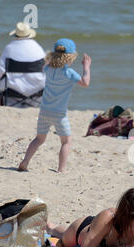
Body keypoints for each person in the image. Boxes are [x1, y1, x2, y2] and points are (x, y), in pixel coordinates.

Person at [18, 38, 91, 173]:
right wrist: (86, 67)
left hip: (44, 111)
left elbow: (44, 65)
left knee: (39, 139)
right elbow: (85, 83)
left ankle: (25, 161)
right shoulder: (68, 73)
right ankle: (61, 169)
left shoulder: (48, 69)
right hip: (59, 114)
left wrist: (49, 59)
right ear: (70, 57)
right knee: (66, 141)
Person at [0, 22, 46, 107]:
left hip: (13, 92)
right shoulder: (38, 48)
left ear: (16, 35)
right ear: (29, 34)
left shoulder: (9, 48)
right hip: (37, 90)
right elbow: (46, 69)